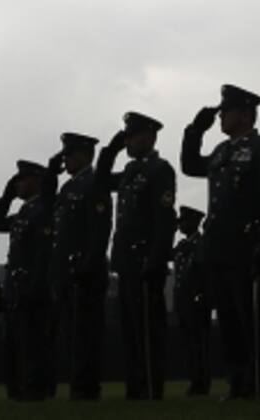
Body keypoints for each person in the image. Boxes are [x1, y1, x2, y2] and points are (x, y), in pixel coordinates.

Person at [183, 84, 260, 400]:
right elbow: (190, 166)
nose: (220, 118)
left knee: (251, 319)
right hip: (219, 247)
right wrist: (193, 131)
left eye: (225, 112)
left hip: (247, 245)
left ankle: (258, 382)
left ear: (244, 115)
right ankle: (237, 381)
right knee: (228, 319)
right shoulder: (221, 152)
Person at [97, 112, 177, 400]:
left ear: (148, 137)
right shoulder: (131, 171)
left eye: (132, 137)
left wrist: (156, 260)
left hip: (146, 261)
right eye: (126, 137)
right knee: (130, 329)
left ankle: (152, 386)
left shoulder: (159, 169)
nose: (128, 142)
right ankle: (135, 385)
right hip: (127, 262)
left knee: (149, 329)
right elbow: (102, 179)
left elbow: (164, 219)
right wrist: (112, 149)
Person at [50, 132, 112, 401]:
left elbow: (100, 229)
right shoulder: (67, 188)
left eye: (70, 155)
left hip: (86, 271)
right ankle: (78, 384)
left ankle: (87, 387)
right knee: (71, 334)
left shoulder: (94, 183)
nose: (66, 161)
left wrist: (88, 264)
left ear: (85, 155)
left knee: (86, 332)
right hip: (67, 270)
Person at [0, 159, 57, 401]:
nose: (18, 184)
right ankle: (19, 388)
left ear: (37, 181)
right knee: (16, 342)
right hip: (16, 286)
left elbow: (42, 252)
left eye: (23, 180)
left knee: (35, 341)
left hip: (33, 285)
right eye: (16, 181)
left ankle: (37, 389)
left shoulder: (42, 210)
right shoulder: (23, 211)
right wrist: (6, 197)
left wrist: (35, 285)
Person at [172, 206, 212, 396]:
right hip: (183, 300)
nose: (181, 225)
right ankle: (194, 380)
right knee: (188, 344)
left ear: (194, 222)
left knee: (200, 344)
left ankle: (201, 382)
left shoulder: (201, 244)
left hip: (197, 301)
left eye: (184, 221)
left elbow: (202, 273)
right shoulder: (182, 246)